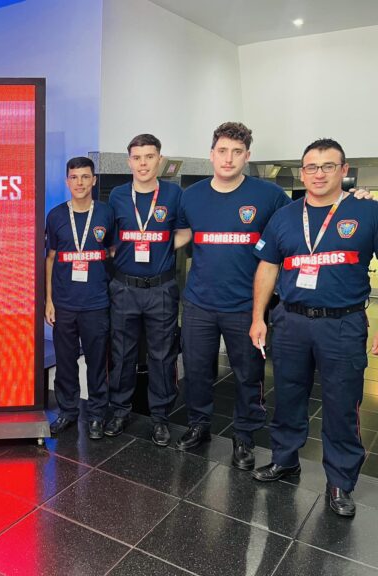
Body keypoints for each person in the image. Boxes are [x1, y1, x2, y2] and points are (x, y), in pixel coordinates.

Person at [250, 138, 378, 517]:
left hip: (343, 324)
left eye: (327, 166)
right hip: (290, 321)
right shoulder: (285, 216)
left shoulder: (367, 211)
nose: (318, 174)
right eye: (311, 167)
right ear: (302, 172)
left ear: (344, 170)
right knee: (288, 395)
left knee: (341, 403)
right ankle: (285, 459)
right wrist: (258, 317)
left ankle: (340, 481)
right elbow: (268, 268)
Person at [177, 122, 291, 471]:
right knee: (197, 370)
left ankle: (244, 436)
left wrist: (349, 201)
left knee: (248, 374)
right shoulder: (191, 195)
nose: (229, 159)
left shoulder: (269, 195)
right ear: (211, 154)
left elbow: (300, 222)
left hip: (246, 306)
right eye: (222, 151)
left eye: (237, 152)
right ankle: (199, 425)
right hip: (198, 303)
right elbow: (180, 235)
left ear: (247, 156)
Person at [105, 134, 192, 444]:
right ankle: (119, 410)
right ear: (129, 161)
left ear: (160, 160)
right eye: (137, 158)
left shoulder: (174, 194)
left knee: (162, 354)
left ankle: (160, 418)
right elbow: (109, 238)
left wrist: (164, 249)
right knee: (121, 352)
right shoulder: (117, 195)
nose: (143, 163)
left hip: (161, 289)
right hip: (124, 287)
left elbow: (185, 231)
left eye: (149, 157)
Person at [46, 157, 114, 439]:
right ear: (67, 181)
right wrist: (49, 301)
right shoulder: (56, 216)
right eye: (74, 177)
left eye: (85, 177)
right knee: (65, 361)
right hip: (64, 302)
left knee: (97, 362)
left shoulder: (106, 213)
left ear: (94, 180)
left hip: (96, 302)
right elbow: (50, 259)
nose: (80, 183)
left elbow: (112, 251)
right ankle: (68, 411)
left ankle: (97, 414)